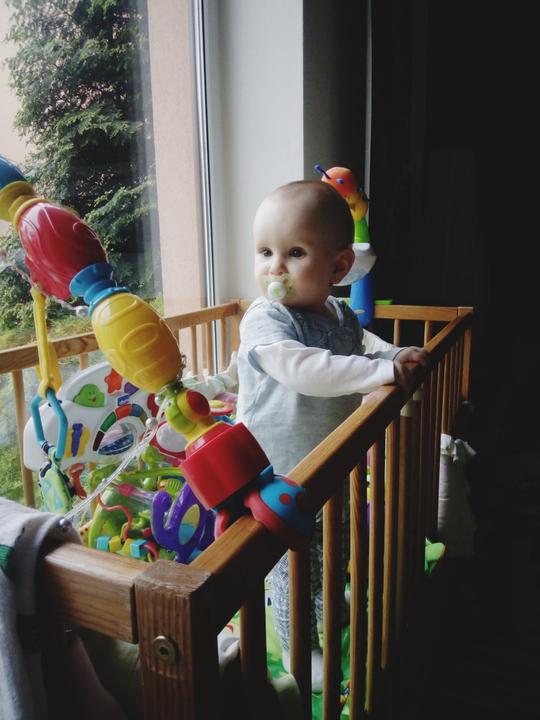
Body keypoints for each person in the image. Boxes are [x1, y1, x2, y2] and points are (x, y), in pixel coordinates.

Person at [236, 180, 428, 690]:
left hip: (331, 458)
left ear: (339, 267)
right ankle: (300, 648)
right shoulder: (266, 319)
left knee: (334, 540)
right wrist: (379, 374)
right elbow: (300, 369)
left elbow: (360, 350)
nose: (274, 268)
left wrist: (392, 357)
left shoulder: (339, 314)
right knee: (293, 560)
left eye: (294, 253)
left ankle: (323, 603)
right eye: (264, 252)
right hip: (277, 470)